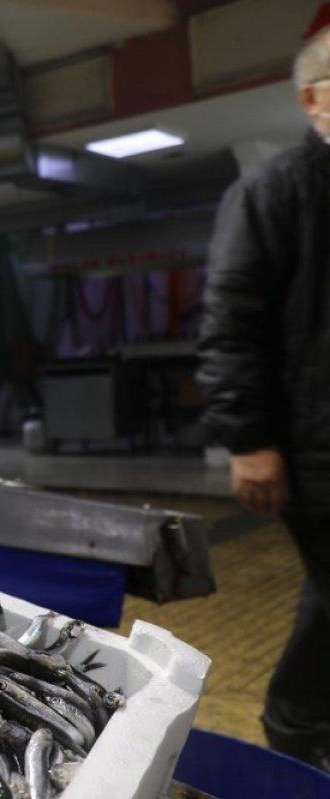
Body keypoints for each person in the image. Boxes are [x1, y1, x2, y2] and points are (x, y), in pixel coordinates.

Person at [197, 26, 330, 771]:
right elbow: (231, 325)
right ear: (315, 100)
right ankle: (295, 723)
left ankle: (302, 721)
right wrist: (248, 441)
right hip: (315, 448)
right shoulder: (274, 191)